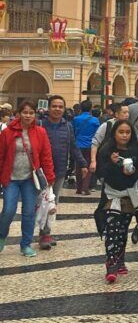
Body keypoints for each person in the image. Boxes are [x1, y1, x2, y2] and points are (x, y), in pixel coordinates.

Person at [0, 100, 55, 257]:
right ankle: (2, 235)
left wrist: (50, 176)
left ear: (35, 114)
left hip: (30, 179)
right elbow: (1, 155)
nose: (28, 115)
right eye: (25, 112)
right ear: (18, 114)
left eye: (31, 113)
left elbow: (46, 155)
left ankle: (25, 245)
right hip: (11, 178)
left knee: (29, 212)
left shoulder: (40, 132)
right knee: (8, 210)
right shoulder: (7, 132)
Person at [95, 120, 138, 282]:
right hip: (111, 195)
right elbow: (100, 173)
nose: (124, 135)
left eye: (127, 132)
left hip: (130, 195)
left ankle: (120, 260)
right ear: (114, 133)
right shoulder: (107, 150)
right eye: (121, 132)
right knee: (112, 228)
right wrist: (111, 162)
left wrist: (133, 173)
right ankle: (111, 264)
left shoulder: (136, 150)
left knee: (123, 229)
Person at [39, 95, 87, 249]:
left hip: (59, 170)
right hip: (39, 172)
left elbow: (73, 147)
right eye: (54, 106)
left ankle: (45, 233)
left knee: (53, 202)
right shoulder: (40, 125)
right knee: (39, 203)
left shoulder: (68, 126)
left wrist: (83, 163)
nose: (57, 109)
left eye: (60, 107)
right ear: (48, 108)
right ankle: (35, 234)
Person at [89, 104, 130, 175]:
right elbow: (95, 143)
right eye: (124, 112)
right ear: (116, 114)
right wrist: (93, 161)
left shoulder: (129, 127)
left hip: (124, 164)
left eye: (128, 112)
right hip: (107, 163)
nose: (127, 115)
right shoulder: (107, 125)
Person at [72, 99, 100, 194]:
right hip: (90, 145)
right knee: (88, 166)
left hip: (78, 145)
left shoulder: (76, 119)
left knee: (78, 166)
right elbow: (97, 133)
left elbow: (73, 132)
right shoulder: (95, 120)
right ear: (91, 108)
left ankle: (79, 188)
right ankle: (86, 187)